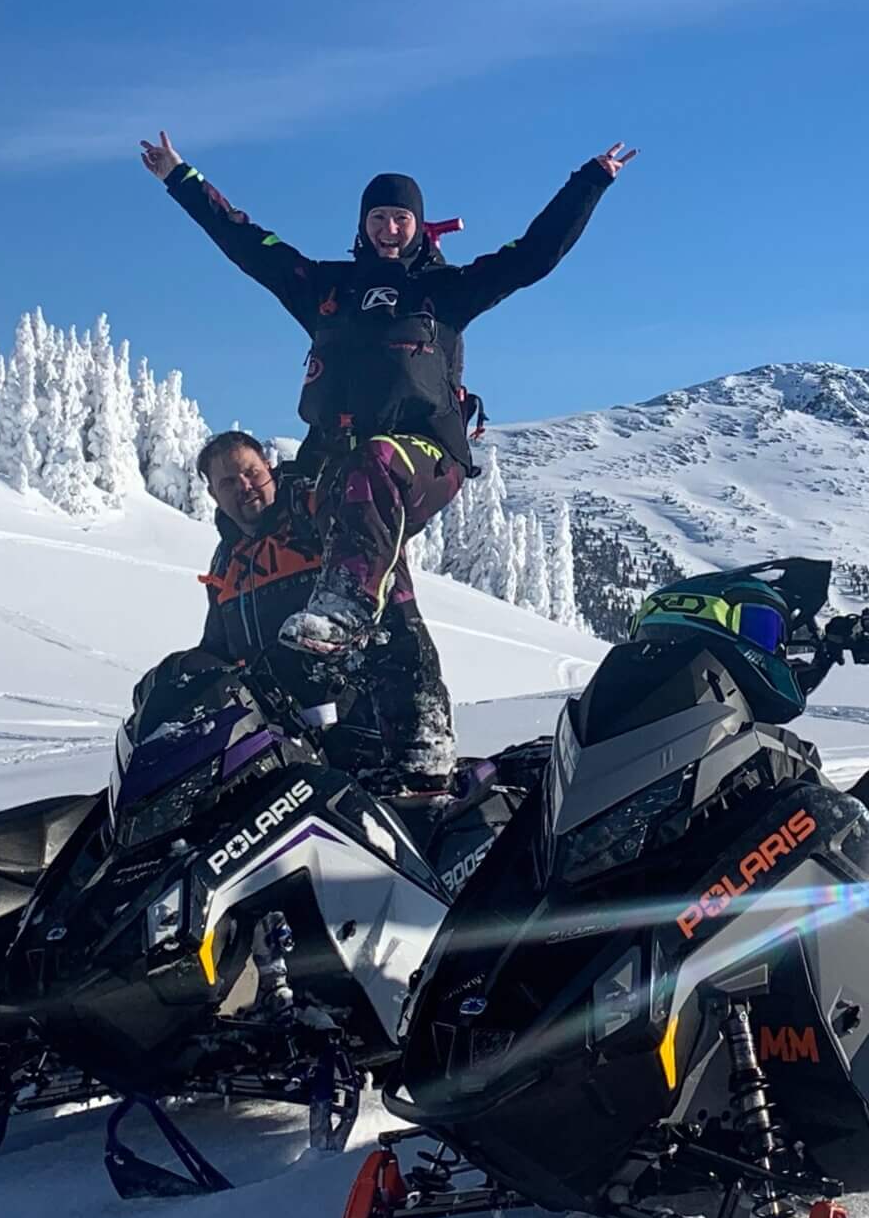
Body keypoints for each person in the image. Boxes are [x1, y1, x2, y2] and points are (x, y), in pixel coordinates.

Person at [141, 134, 630, 690]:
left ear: (419, 225)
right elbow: (246, 242)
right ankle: (361, 707)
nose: (389, 229)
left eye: (401, 218)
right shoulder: (326, 289)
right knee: (278, 520)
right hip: (338, 464)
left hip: (423, 458)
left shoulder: (446, 291)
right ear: (362, 224)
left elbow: (533, 255)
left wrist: (588, 181)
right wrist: (181, 178)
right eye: (379, 217)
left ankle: (344, 606)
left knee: (370, 470)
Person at [175, 427, 456, 793]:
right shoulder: (228, 562)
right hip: (292, 749)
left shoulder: (319, 510)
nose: (244, 485)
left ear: (270, 468)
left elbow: (374, 530)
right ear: (213, 494)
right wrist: (177, 680)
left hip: (378, 728)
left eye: (251, 472)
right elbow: (220, 651)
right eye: (228, 482)